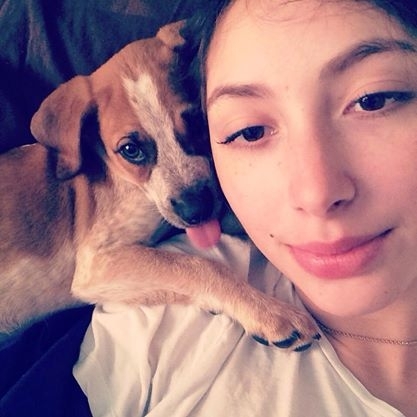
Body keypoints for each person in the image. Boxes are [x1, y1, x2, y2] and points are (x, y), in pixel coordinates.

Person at [73, 1, 417, 416]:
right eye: (248, 131)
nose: (317, 193)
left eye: (373, 100)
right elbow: (93, 273)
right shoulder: (149, 335)